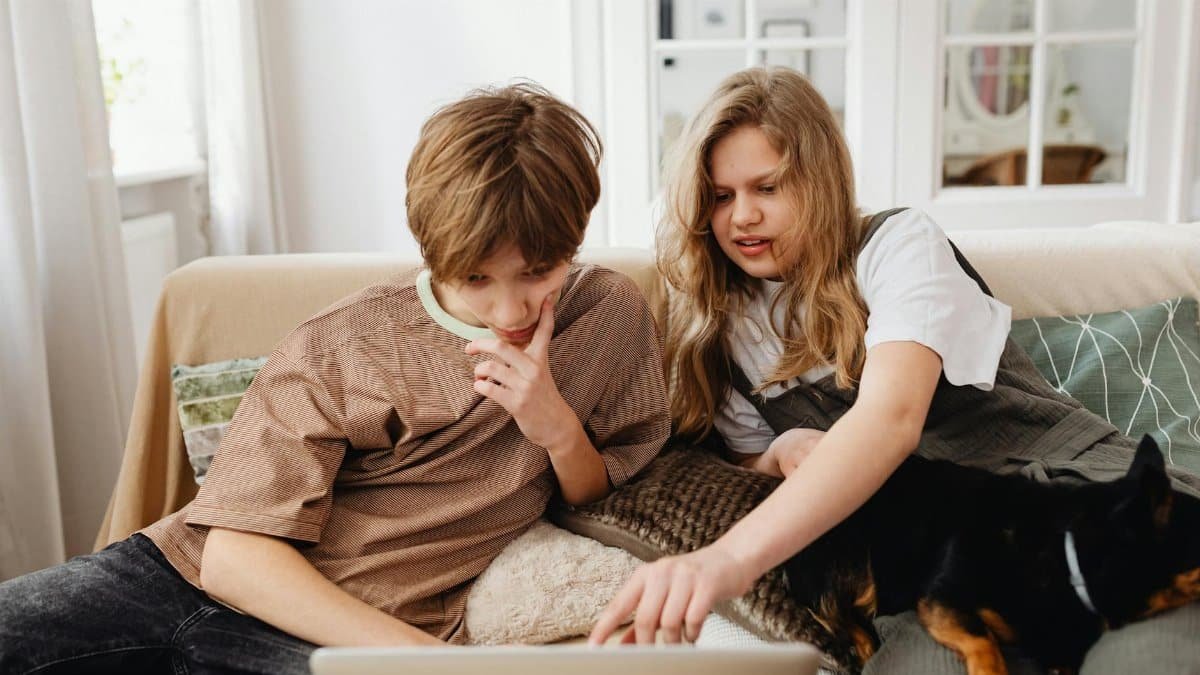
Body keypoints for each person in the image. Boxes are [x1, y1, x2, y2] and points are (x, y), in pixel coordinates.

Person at [0, 82, 671, 674]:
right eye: (475, 278)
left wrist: (554, 426)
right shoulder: (346, 342)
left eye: (537, 271)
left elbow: (603, 489)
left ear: (575, 238)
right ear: (432, 251)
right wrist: (439, 665)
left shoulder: (607, 315)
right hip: (175, 580)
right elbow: (231, 558)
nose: (511, 308)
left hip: (337, 639)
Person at [589, 66, 1200, 674]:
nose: (741, 216)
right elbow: (741, 462)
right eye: (721, 196)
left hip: (1087, 502)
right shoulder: (719, 335)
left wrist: (723, 561)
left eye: (767, 188)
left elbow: (891, 419)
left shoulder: (896, 246)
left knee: (1151, 658)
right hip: (945, 567)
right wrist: (774, 456)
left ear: (819, 181)